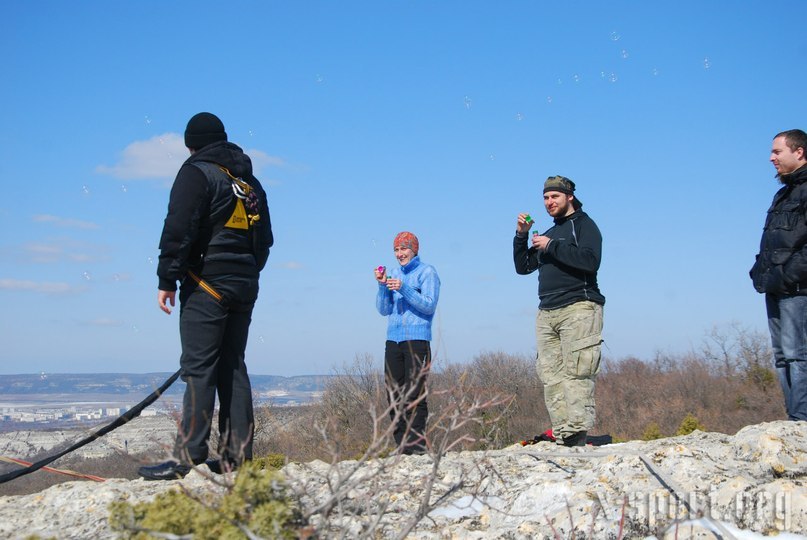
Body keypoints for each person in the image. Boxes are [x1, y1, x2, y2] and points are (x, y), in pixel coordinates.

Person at [138, 112, 273, 480]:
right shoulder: (249, 182)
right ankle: (236, 459)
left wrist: (167, 279)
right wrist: (246, 272)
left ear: (191, 145)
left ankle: (188, 457)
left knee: (199, 369)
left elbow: (178, 228)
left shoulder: (195, 173)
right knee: (233, 366)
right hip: (244, 285)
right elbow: (265, 240)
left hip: (207, 285)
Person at [513, 175, 605, 447]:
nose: (549, 202)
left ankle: (577, 435)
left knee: (577, 372)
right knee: (550, 375)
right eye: (545, 197)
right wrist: (521, 235)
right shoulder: (549, 233)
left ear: (570, 197)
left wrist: (552, 247)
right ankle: (562, 432)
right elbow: (523, 267)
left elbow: (591, 261)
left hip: (579, 306)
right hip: (547, 311)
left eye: (555, 196)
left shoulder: (584, 225)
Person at [750, 129, 807, 422]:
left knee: (798, 355)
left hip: (798, 289)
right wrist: (759, 271)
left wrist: (786, 275)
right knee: (782, 356)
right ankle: (792, 420)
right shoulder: (783, 194)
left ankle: (801, 420)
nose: (771, 158)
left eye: (777, 152)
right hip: (774, 286)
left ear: (799, 152)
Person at [374, 232, 440, 454]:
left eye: (404, 249)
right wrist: (382, 286)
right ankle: (402, 445)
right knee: (393, 394)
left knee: (414, 393)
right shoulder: (393, 273)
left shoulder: (427, 272)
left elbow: (429, 305)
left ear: (414, 250)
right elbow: (384, 310)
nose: (400, 254)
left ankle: (417, 445)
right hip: (393, 340)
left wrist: (404, 288)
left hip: (417, 339)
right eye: (396, 250)